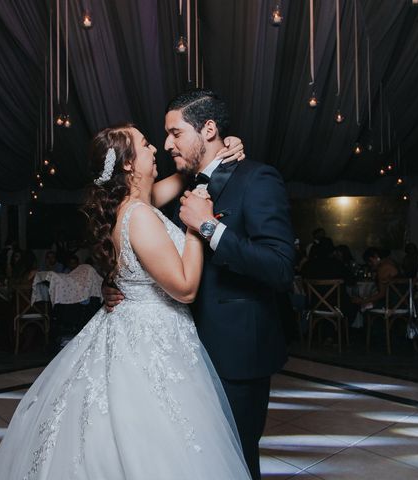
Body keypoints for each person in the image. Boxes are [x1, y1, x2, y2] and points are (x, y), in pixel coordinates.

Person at [0, 124, 251, 479]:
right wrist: (195, 228)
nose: (155, 147)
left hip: (144, 328)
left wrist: (220, 148)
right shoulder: (139, 215)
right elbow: (185, 288)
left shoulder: (139, 204)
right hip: (151, 338)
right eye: (144, 144)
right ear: (128, 164)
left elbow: (186, 175)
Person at [104, 89, 294, 479]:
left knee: (236, 463)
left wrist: (210, 227)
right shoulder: (172, 192)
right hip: (177, 354)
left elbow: (279, 267)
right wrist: (117, 285)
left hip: (236, 353)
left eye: (175, 133)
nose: (166, 143)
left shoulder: (257, 179)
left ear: (208, 129)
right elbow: (141, 247)